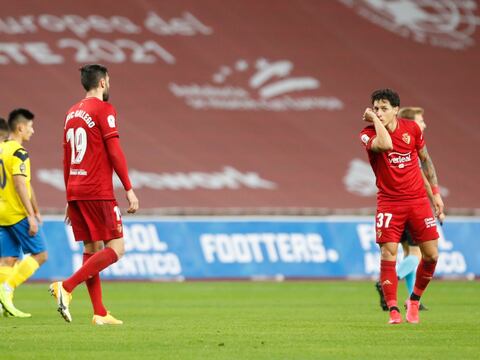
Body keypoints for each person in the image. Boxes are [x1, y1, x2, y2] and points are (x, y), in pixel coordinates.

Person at [49, 64, 139, 325]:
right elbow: (115, 152)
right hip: (97, 190)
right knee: (117, 248)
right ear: (102, 83)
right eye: (108, 81)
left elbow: (66, 158)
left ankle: (99, 312)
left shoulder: (71, 112)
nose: (108, 84)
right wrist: (129, 189)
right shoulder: (104, 110)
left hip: (76, 188)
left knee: (91, 248)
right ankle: (66, 286)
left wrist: (69, 196)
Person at [360, 89, 445, 324]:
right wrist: (377, 121)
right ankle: (394, 310)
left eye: (384, 108)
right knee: (389, 254)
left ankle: (414, 300)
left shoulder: (413, 129)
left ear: (396, 110)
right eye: (376, 108)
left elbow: (425, 160)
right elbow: (385, 144)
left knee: (431, 255)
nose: (379, 112)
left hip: (417, 201)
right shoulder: (367, 133)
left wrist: (435, 195)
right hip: (389, 202)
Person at [0, 109, 48, 318]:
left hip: (2, 213)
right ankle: (6, 290)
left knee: (8, 259)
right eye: (30, 126)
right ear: (20, 128)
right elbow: (21, 184)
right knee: (40, 254)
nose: (33, 130)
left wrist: (36, 209)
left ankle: (1, 306)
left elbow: (26, 183)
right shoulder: (19, 152)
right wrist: (30, 214)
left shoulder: (1, 149)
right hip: (17, 212)